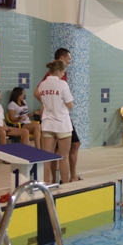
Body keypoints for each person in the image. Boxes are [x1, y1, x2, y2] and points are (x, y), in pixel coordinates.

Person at [34, 48, 81, 181]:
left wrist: (48, 104)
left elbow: (39, 95)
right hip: (62, 124)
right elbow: (70, 104)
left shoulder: (43, 84)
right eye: (63, 71)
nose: (64, 73)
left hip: (48, 124)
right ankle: (66, 186)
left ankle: (46, 184)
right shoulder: (62, 84)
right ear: (59, 70)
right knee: (63, 157)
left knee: (47, 158)